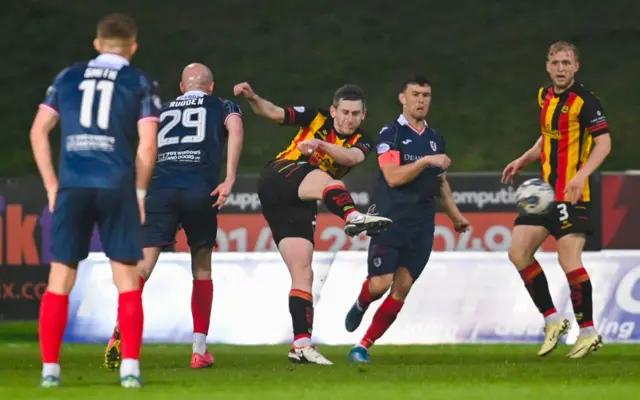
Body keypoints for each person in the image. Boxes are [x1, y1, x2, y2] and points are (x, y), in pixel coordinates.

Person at [30, 14, 160, 388]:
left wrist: (52, 185)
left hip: (73, 183)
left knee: (60, 279)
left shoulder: (67, 77)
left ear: (97, 44)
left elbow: (39, 131)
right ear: (132, 48)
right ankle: (130, 369)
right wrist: (138, 192)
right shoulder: (139, 80)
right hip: (116, 183)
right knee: (127, 280)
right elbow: (148, 144)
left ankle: (50, 371)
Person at [233, 82, 392, 364]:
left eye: (355, 114)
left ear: (363, 115)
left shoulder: (362, 140)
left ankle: (301, 345)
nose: (349, 119)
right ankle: (353, 216)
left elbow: (353, 157)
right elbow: (274, 113)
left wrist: (320, 145)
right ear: (333, 111)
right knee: (329, 181)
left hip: (299, 198)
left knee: (303, 271)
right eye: (344, 112)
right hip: (280, 174)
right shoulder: (316, 117)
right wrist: (253, 97)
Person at [103, 64, 244, 370]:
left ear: (182, 87)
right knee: (202, 266)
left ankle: (120, 326)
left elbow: (145, 146)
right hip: (200, 191)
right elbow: (235, 130)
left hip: (161, 191)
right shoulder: (223, 104)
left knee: (143, 264)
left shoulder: (163, 108)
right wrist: (229, 178)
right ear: (211, 86)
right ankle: (199, 350)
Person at [343, 74, 469, 363]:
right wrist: (425, 161)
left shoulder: (435, 138)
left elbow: (441, 183)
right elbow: (393, 176)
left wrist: (456, 216)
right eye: (415, 94)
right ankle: (363, 302)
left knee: (402, 287)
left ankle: (362, 346)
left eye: (425, 95)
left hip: (422, 223)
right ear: (403, 98)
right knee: (380, 284)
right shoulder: (391, 134)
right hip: (389, 218)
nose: (421, 100)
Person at [501, 41, 611, 358]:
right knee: (518, 252)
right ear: (547, 66)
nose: (561, 68)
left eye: (567, 63)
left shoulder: (586, 102)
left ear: (576, 67)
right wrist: (524, 159)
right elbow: (548, 136)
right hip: (545, 193)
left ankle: (588, 332)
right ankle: (552, 320)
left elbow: (604, 144)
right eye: (556, 63)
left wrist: (581, 175)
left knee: (568, 259)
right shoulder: (544, 96)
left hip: (573, 194)